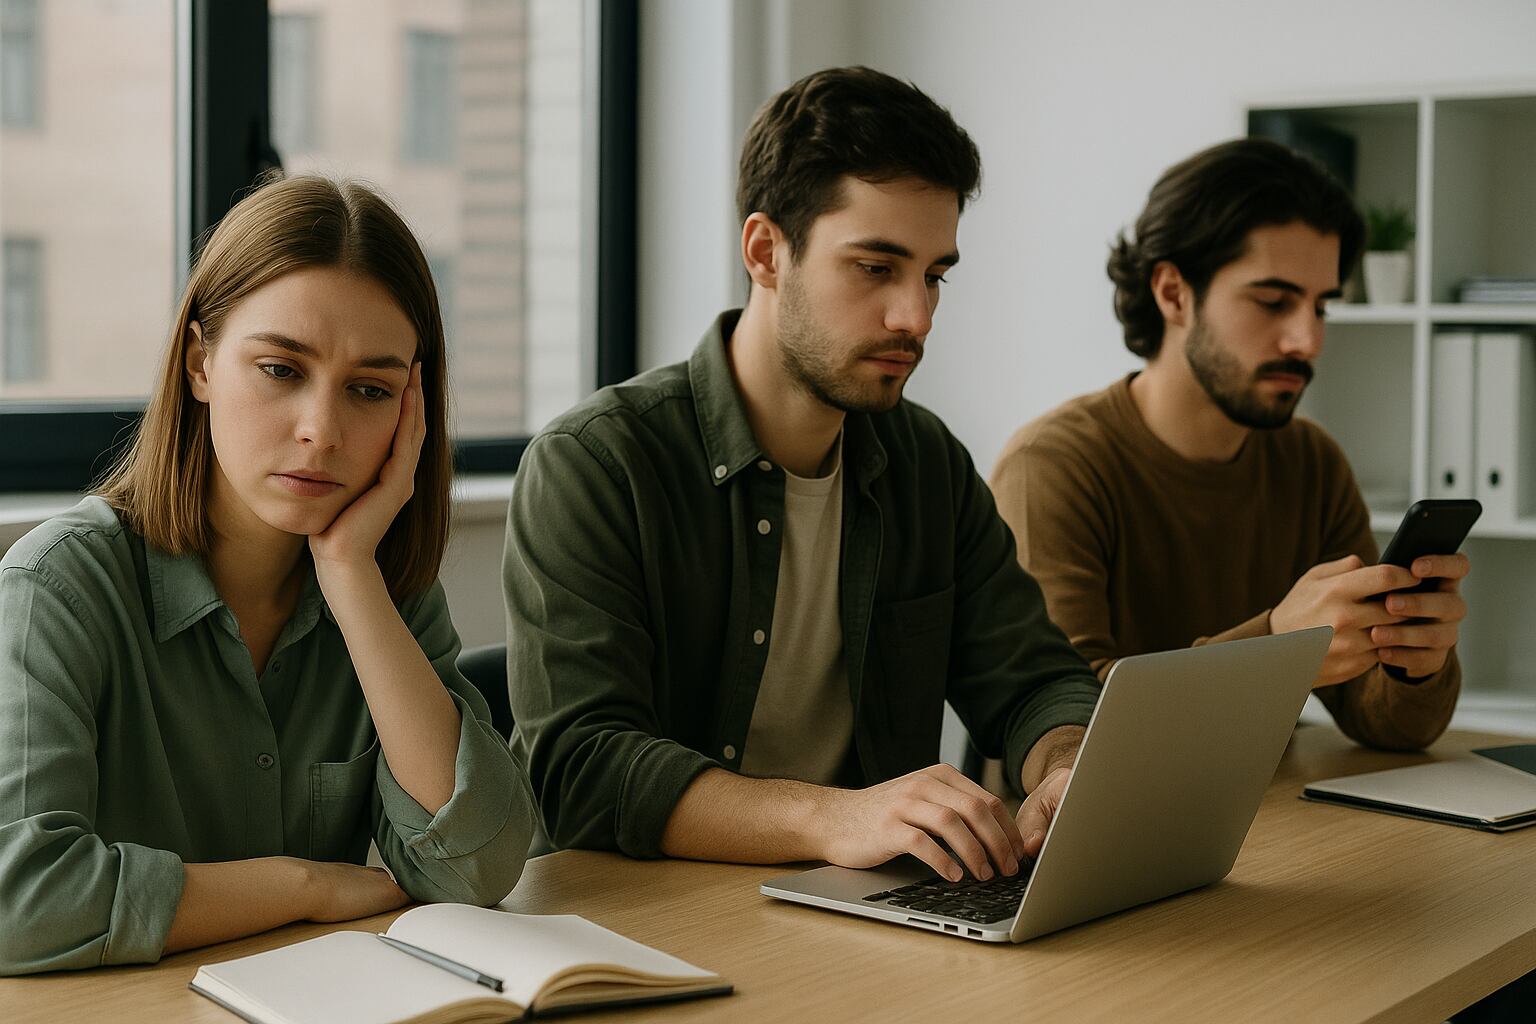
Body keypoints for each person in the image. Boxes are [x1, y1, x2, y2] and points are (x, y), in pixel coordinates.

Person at [504, 66, 1102, 886]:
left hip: (860, 910)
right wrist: (836, 816)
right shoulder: (597, 464)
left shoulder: (926, 464)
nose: (916, 317)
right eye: (875, 267)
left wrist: (1066, 768)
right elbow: (581, 770)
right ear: (765, 252)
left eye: (934, 275)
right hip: (637, 918)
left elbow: (1032, 677)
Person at [0, 175, 539, 975]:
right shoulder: (58, 587)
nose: (322, 430)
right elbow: (19, 900)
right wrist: (301, 887)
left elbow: (477, 867)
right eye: (282, 370)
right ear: (199, 364)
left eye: (369, 390)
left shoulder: (380, 588)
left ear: (410, 410)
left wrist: (351, 574)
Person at [990, 138, 1465, 751]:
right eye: (1273, 302)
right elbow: (1068, 721)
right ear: (1172, 293)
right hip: (1089, 837)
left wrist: (1413, 663)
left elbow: (1390, 726)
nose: (1308, 340)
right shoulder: (1053, 466)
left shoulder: (1311, 463)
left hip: (1269, 818)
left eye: (1321, 306)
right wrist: (1276, 649)